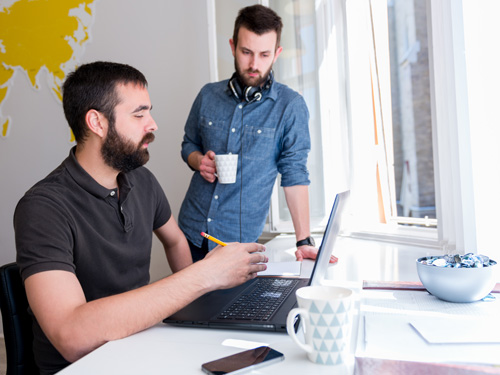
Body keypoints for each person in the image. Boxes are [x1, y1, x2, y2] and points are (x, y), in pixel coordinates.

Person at [13, 61, 267, 375]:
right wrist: (204, 277)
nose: (153, 124)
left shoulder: (141, 180)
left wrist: (196, 304)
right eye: (139, 114)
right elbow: (71, 335)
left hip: (142, 346)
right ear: (97, 122)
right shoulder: (43, 207)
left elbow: (174, 240)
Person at [179, 5, 337, 263]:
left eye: (264, 54)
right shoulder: (207, 95)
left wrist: (304, 240)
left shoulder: (290, 106)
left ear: (277, 54)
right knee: (186, 304)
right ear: (232, 47)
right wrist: (198, 161)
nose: (254, 64)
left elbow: (294, 173)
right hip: (190, 232)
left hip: (237, 244)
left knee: (230, 305)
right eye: (246, 52)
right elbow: (189, 144)